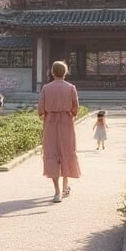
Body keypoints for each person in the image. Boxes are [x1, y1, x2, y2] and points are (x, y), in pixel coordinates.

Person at [38, 60, 81, 202]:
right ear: (66, 72)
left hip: (50, 122)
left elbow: (40, 109)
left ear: (52, 72)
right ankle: (65, 186)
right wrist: (70, 114)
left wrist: (47, 115)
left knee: (52, 153)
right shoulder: (71, 87)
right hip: (66, 122)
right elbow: (75, 108)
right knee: (66, 152)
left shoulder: (46, 88)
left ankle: (56, 191)